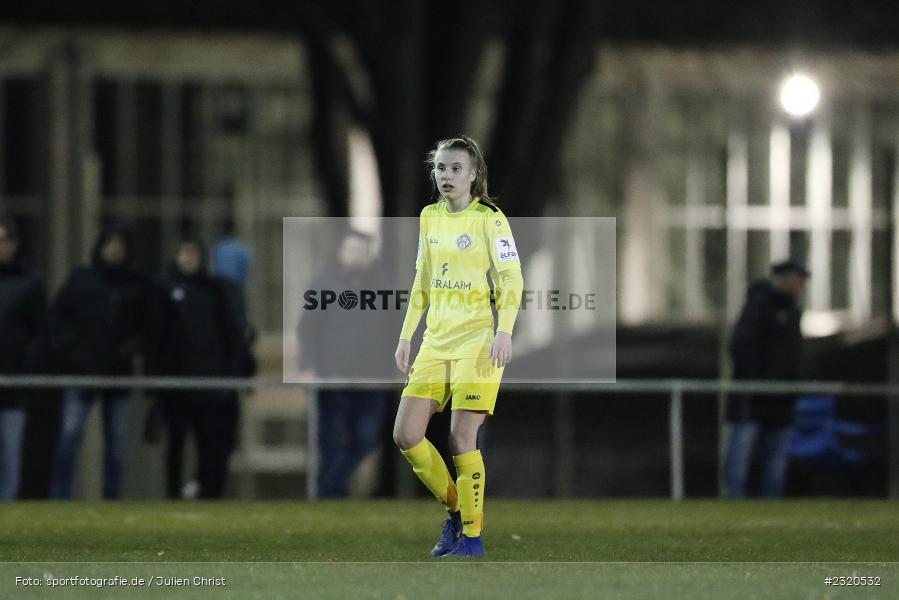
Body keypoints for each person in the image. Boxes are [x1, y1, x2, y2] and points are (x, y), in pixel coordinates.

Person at [393, 136, 523, 558]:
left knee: (461, 437)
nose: (447, 175)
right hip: (436, 341)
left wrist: (505, 331)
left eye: (455, 169)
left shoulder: (491, 218)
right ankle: (456, 510)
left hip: (477, 341)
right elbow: (422, 280)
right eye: (441, 168)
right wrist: (406, 336)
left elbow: (511, 279)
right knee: (406, 434)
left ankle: (472, 538)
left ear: (473, 174)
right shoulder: (429, 216)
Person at [49, 226, 152, 499]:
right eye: (111, 243)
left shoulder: (136, 285)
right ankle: (59, 498)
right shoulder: (81, 279)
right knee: (69, 437)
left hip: (118, 374)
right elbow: (57, 318)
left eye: (121, 244)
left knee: (117, 447)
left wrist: (130, 350)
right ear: (100, 246)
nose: (116, 249)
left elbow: (149, 326)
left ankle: (112, 500)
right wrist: (74, 353)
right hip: (82, 372)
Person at [152, 236, 253, 499]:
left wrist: (235, 373)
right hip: (177, 384)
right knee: (177, 444)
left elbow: (233, 335)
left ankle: (205, 491)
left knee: (211, 444)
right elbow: (157, 338)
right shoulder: (164, 289)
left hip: (210, 383)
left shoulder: (217, 291)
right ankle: (176, 493)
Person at [297, 229, 390, 498]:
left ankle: (328, 489)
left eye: (361, 251)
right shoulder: (323, 284)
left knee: (367, 439)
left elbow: (397, 327)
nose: (356, 256)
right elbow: (308, 330)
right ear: (341, 252)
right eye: (351, 250)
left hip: (372, 379)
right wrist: (309, 366)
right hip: (332, 379)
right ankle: (330, 494)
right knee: (332, 442)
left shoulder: (383, 285)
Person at [724, 259, 809, 498]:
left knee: (776, 459)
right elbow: (741, 347)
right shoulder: (758, 306)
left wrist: (789, 382)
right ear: (784, 278)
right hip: (753, 395)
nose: (801, 285)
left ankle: (773, 506)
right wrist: (760, 379)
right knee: (740, 453)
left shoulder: (793, 310)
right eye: (798, 278)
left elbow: (793, 353)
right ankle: (732, 504)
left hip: (781, 398)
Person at [0, 217, 47, 500]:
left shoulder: (28, 284)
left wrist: (23, 370)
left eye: (4, 240)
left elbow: (40, 333)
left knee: (11, 452)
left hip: (14, 386)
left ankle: (7, 511)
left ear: (15, 245)